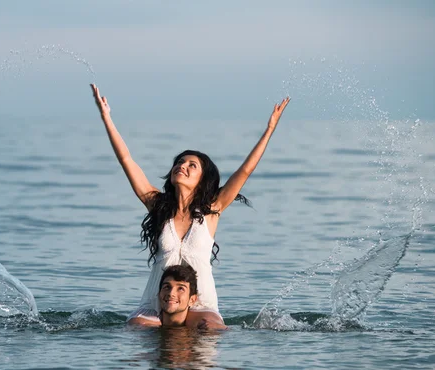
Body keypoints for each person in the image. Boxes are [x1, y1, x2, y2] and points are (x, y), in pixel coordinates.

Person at [91, 83, 289, 329]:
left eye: (191, 165)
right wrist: (106, 118)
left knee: (210, 329)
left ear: (202, 179)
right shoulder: (157, 205)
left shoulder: (212, 210)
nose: (182, 166)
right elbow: (126, 159)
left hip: (200, 304)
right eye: (179, 162)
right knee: (136, 327)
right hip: (157, 304)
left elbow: (246, 170)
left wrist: (269, 129)